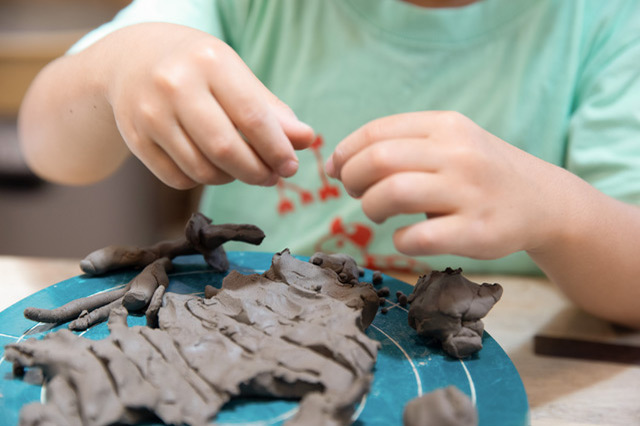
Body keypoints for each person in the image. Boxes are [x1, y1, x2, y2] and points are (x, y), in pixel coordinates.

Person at [17, 0, 640, 328]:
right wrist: (118, 65)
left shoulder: (608, 21)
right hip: (226, 326)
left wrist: (558, 212)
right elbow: (49, 145)